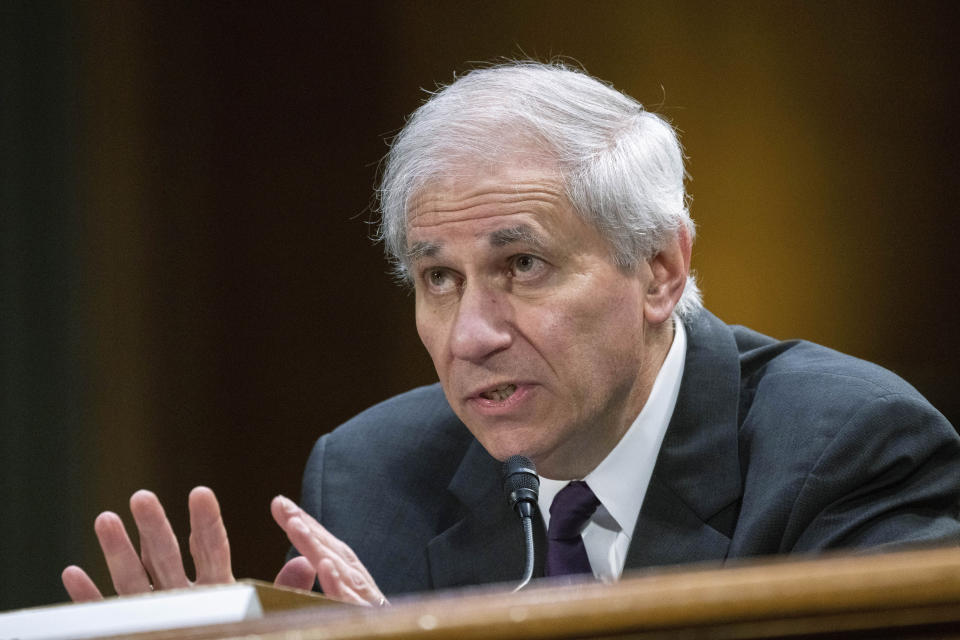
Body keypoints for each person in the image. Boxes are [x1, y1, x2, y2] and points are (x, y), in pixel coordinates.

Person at [62, 61, 960, 607]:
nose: (472, 335)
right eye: (438, 279)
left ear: (660, 270)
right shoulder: (376, 476)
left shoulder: (847, 451)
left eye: (522, 266)